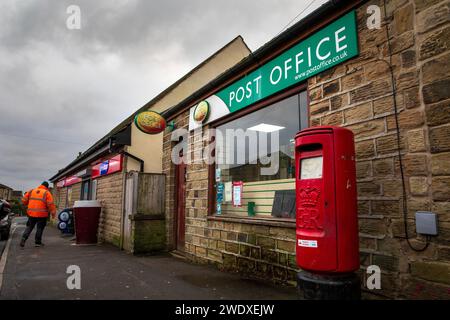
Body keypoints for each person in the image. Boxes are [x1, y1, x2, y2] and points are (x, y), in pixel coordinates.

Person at [20, 181, 56, 247]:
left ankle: (23, 238)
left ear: (41, 185)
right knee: (40, 228)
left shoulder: (32, 191)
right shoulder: (47, 193)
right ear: (47, 187)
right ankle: (37, 242)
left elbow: (24, 200)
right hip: (42, 214)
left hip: (31, 214)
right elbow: (50, 204)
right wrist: (53, 213)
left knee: (30, 226)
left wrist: (27, 204)